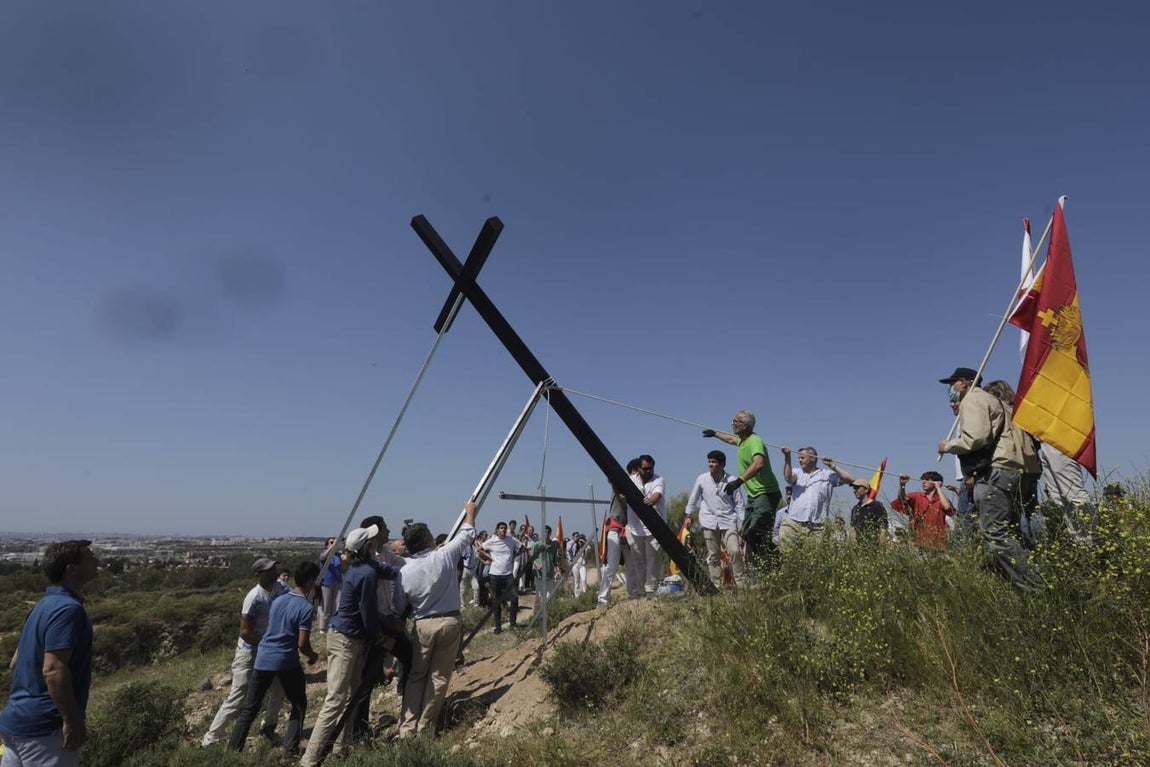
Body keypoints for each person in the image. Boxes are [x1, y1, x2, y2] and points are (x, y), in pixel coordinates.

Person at [299, 525, 400, 767]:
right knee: (335, 699)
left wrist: (417, 566)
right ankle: (310, 760)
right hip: (344, 640)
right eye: (371, 540)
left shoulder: (366, 566)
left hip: (353, 639)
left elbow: (389, 571)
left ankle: (339, 750)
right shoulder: (364, 574)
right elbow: (368, 615)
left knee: (352, 696)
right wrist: (381, 637)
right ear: (367, 546)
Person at [937, 367, 1042, 590]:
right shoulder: (1006, 405)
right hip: (1022, 470)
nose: (950, 389)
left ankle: (1033, 587)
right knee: (1014, 530)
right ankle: (1034, 575)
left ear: (963, 382)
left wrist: (948, 446)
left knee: (996, 533)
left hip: (997, 471)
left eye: (952, 384)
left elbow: (975, 438)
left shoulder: (973, 399)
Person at [0, 541, 98, 767]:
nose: (96, 560)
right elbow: (53, 669)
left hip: (15, 721)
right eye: (90, 557)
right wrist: (71, 720)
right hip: (45, 729)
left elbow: (15, 663)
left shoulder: (41, 606)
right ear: (72, 569)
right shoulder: (68, 609)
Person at [396, 500, 479, 738]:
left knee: (417, 676)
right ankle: (425, 728)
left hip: (423, 624)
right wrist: (470, 512)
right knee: (439, 677)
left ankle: (407, 728)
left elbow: (400, 604)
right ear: (428, 540)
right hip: (449, 622)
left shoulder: (404, 571)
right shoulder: (443, 556)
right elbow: (467, 534)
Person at [229, 561, 320, 757]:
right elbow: (302, 643)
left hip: (263, 656)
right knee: (298, 704)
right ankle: (290, 750)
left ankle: (232, 752)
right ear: (311, 581)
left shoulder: (279, 600)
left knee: (250, 708)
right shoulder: (305, 607)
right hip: (285, 659)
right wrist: (313, 656)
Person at [202, 557, 287, 747]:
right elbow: (245, 632)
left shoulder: (281, 587)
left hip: (270, 648)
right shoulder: (254, 598)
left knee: (279, 689)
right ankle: (211, 739)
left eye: (274, 569)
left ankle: (268, 727)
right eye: (268, 571)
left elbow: (294, 599)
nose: (273, 573)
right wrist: (268, 643)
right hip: (249, 652)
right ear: (257, 575)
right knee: (238, 695)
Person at [342, 515, 409, 745]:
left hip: (387, 618)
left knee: (409, 656)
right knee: (365, 679)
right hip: (375, 624)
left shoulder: (382, 558)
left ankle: (408, 706)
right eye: (385, 528)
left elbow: (399, 569)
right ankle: (357, 733)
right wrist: (382, 632)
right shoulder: (365, 568)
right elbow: (367, 611)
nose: (388, 531)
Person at [704, 410, 783, 568]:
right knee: (746, 533)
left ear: (745, 426)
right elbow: (730, 439)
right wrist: (715, 434)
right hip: (754, 496)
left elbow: (758, 463)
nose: (733, 424)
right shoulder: (742, 440)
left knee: (756, 533)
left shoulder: (755, 441)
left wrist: (739, 481)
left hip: (766, 493)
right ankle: (767, 565)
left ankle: (775, 564)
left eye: (736, 421)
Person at [684, 450, 747, 587]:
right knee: (713, 555)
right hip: (709, 521)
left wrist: (741, 524)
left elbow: (739, 504)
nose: (710, 464)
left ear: (722, 464)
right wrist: (688, 515)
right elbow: (693, 498)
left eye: (714, 462)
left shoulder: (732, 480)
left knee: (734, 551)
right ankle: (716, 586)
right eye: (709, 461)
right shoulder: (702, 479)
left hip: (729, 521)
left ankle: (741, 584)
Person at [779, 446, 855, 544]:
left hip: (817, 527)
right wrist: (787, 457)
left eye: (802, 457)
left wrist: (832, 465)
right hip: (794, 522)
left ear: (812, 458)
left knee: (812, 554)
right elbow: (787, 477)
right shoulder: (797, 472)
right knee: (785, 544)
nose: (800, 460)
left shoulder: (827, 475)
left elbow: (851, 479)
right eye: (799, 458)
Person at [626, 455, 666, 595]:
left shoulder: (658, 479)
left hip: (654, 527)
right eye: (645, 469)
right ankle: (641, 590)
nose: (649, 471)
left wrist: (651, 500)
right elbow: (621, 492)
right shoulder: (630, 480)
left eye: (651, 468)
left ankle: (650, 591)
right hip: (635, 527)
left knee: (653, 560)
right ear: (638, 469)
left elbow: (657, 494)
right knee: (638, 561)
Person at [597, 467, 633, 606]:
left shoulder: (636, 491)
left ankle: (634, 595)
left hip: (628, 531)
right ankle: (603, 599)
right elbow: (610, 476)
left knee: (632, 566)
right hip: (615, 529)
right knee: (611, 566)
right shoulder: (618, 485)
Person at [891, 472, 954, 551]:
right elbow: (902, 499)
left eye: (927, 480)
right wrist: (902, 485)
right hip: (918, 542)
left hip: (939, 543)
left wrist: (938, 488)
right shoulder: (917, 496)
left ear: (937, 482)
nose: (923, 482)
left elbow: (947, 507)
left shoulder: (942, 499)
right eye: (923, 480)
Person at [481, 521, 521, 634]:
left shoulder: (511, 540)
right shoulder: (492, 541)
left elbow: (522, 548)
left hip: (508, 575)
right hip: (495, 575)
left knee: (514, 598)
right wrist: (489, 557)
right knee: (496, 601)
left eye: (504, 528)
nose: (503, 529)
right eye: (501, 528)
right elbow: (479, 549)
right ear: (497, 530)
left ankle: (513, 624)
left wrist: (514, 556)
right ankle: (498, 626)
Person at [846, 479, 887, 543]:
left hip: (873, 545)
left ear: (866, 490)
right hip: (858, 547)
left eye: (857, 488)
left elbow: (883, 528)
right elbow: (853, 529)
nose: (855, 491)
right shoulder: (855, 509)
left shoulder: (877, 506)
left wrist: (882, 546)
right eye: (854, 489)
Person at [317, 538, 342, 632]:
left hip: (337, 582)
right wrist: (332, 546)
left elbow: (346, 558)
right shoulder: (323, 553)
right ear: (327, 545)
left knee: (337, 604)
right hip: (326, 583)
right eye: (331, 542)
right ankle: (323, 626)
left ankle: (334, 625)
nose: (334, 543)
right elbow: (323, 557)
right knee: (326, 605)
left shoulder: (337, 555)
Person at [533, 526, 561, 600]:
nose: (547, 533)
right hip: (539, 575)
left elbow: (555, 560)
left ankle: (547, 608)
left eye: (548, 532)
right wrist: (537, 564)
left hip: (550, 574)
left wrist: (558, 570)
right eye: (545, 532)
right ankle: (537, 608)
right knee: (540, 596)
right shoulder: (537, 544)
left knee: (549, 596)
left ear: (550, 533)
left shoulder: (553, 545)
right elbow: (532, 558)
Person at [567, 533, 588, 597]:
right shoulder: (574, 546)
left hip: (582, 565)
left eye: (581, 541)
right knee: (576, 580)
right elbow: (568, 549)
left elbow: (589, 547)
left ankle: (585, 593)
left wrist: (584, 541)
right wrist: (575, 541)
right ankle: (577, 595)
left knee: (583, 579)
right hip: (575, 564)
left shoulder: (584, 548)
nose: (580, 542)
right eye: (579, 541)